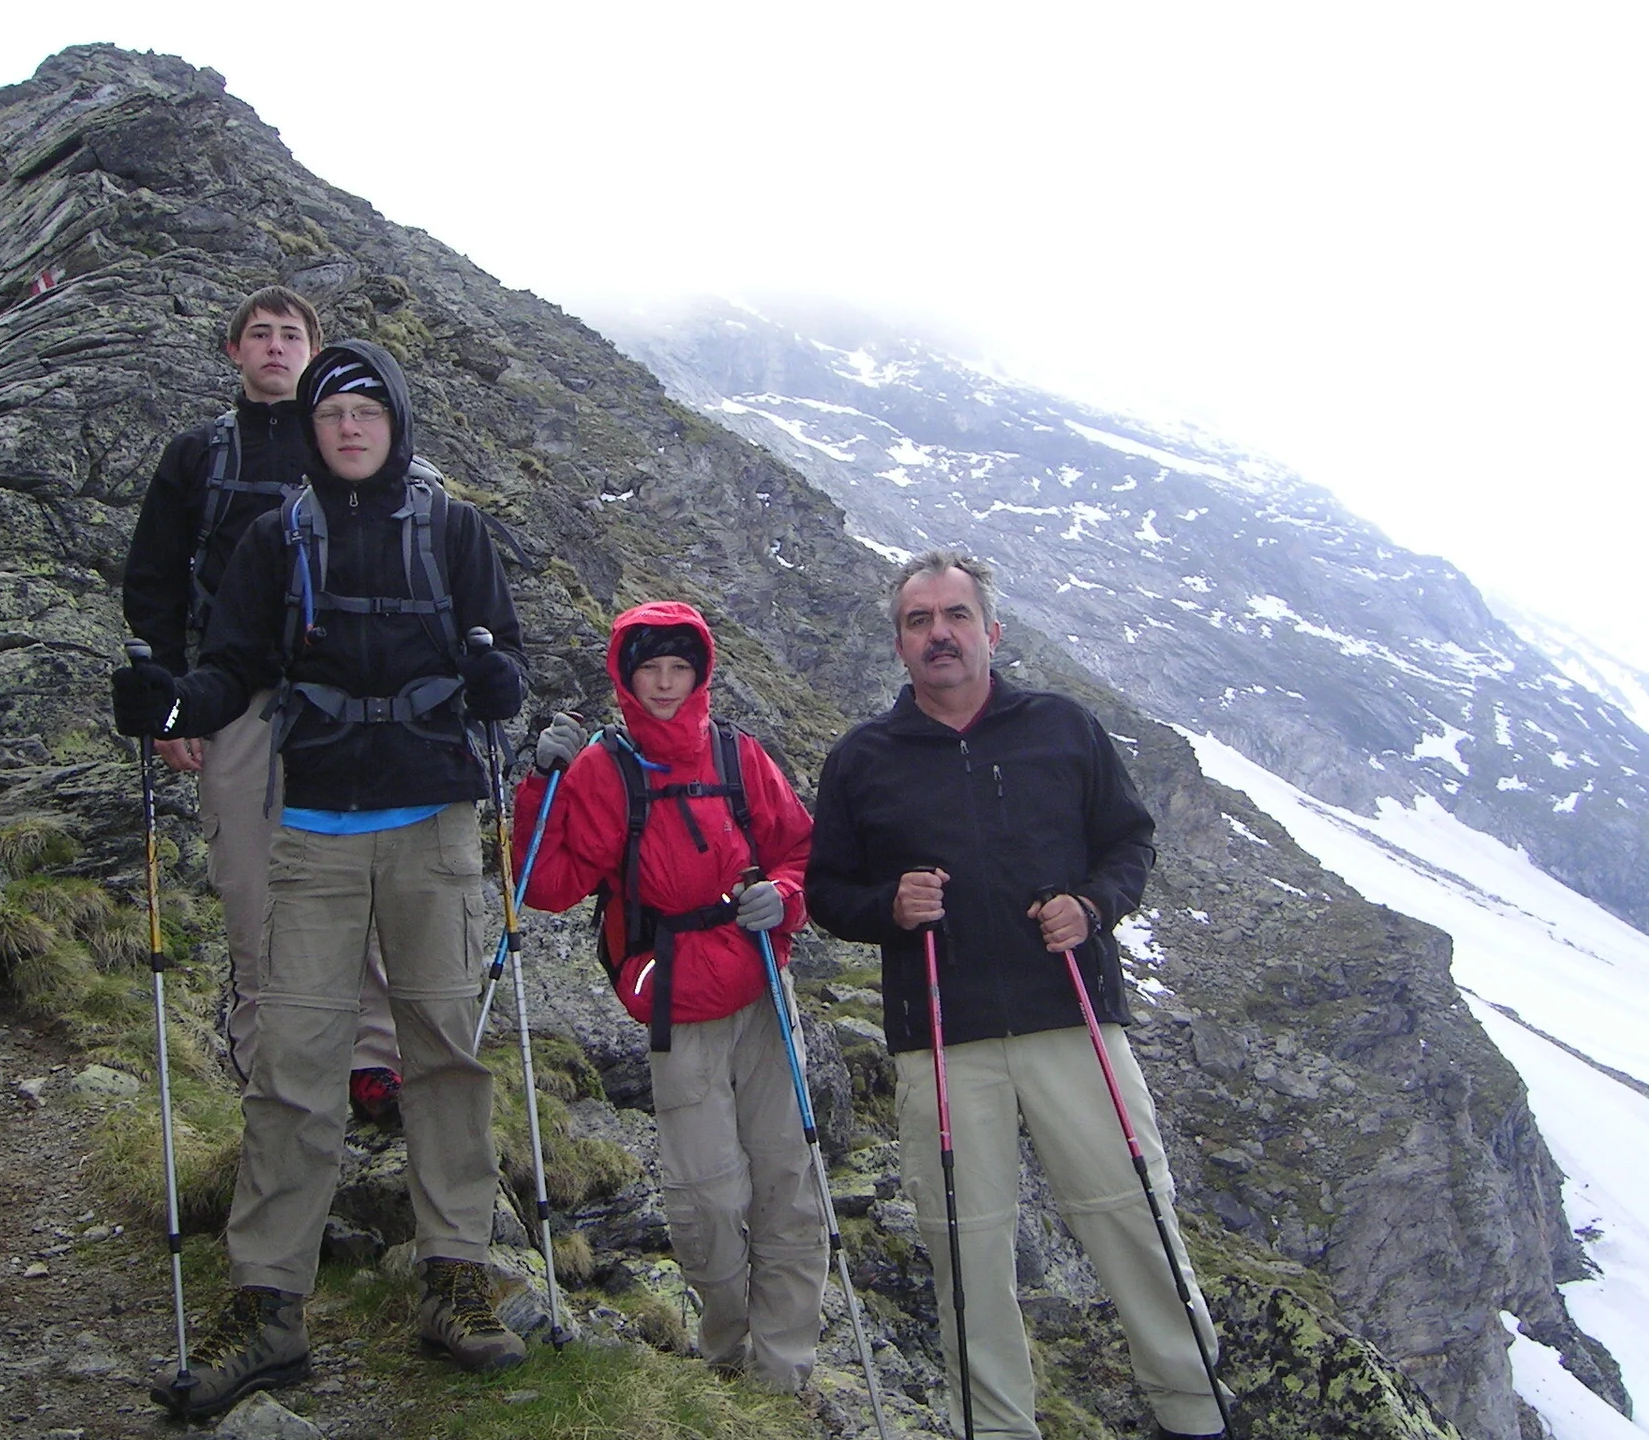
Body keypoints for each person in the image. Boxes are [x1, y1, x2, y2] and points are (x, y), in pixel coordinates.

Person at [114, 338, 530, 1420]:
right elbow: (234, 669)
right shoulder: (270, 537)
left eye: (367, 412)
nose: (350, 428)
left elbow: (510, 666)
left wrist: (500, 678)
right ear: (311, 429)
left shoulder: (454, 530)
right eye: (332, 413)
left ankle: (456, 1275)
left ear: (396, 424)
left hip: (431, 825)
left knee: (443, 1052)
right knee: (294, 1065)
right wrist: (174, 704)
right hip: (308, 827)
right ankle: (267, 1307)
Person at [805, 549, 1225, 1440]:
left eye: (954, 616)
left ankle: (1196, 1414)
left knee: (1132, 1216)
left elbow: (1130, 844)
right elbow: (827, 892)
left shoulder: (1062, 728)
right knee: (967, 1246)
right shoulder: (862, 760)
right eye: (918, 622)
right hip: (941, 1037)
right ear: (899, 644)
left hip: (1070, 1017)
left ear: (991, 632)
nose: (938, 635)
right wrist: (888, 905)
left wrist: (1093, 906)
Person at [510, 601, 829, 1392]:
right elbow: (543, 887)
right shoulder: (601, 770)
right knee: (707, 1199)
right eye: (647, 669)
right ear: (624, 676)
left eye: (676, 668)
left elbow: (798, 848)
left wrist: (784, 898)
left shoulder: (738, 755)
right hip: (675, 1001)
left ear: (699, 673)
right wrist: (540, 784)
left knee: (788, 1183)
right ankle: (726, 1356)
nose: (662, 683)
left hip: (760, 986)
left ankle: (781, 1374)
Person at [121, 286, 405, 1123]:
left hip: (344, 705)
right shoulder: (196, 456)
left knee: (358, 882)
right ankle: (266, 1063)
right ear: (234, 352)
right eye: (260, 334)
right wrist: (178, 706)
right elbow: (154, 580)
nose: (276, 347)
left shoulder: (351, 454)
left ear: (313, 353)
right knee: (250, 881)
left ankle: (371, 1062)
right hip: (233, 698)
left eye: (292, 335)